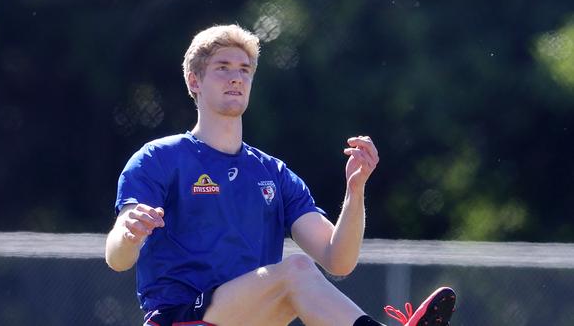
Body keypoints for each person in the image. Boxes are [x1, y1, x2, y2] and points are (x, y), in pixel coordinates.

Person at [105, 24, 456, 326]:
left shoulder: (271, 173)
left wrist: (355, 190)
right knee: (296, 271)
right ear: (194, 81)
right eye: (222, 67)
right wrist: (130, 235)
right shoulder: (158, 158)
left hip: (246, 316)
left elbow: (339, 259)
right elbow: (117, 258)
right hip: (180, 317)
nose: (235, 77)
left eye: (244, 69)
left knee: (298, 282)